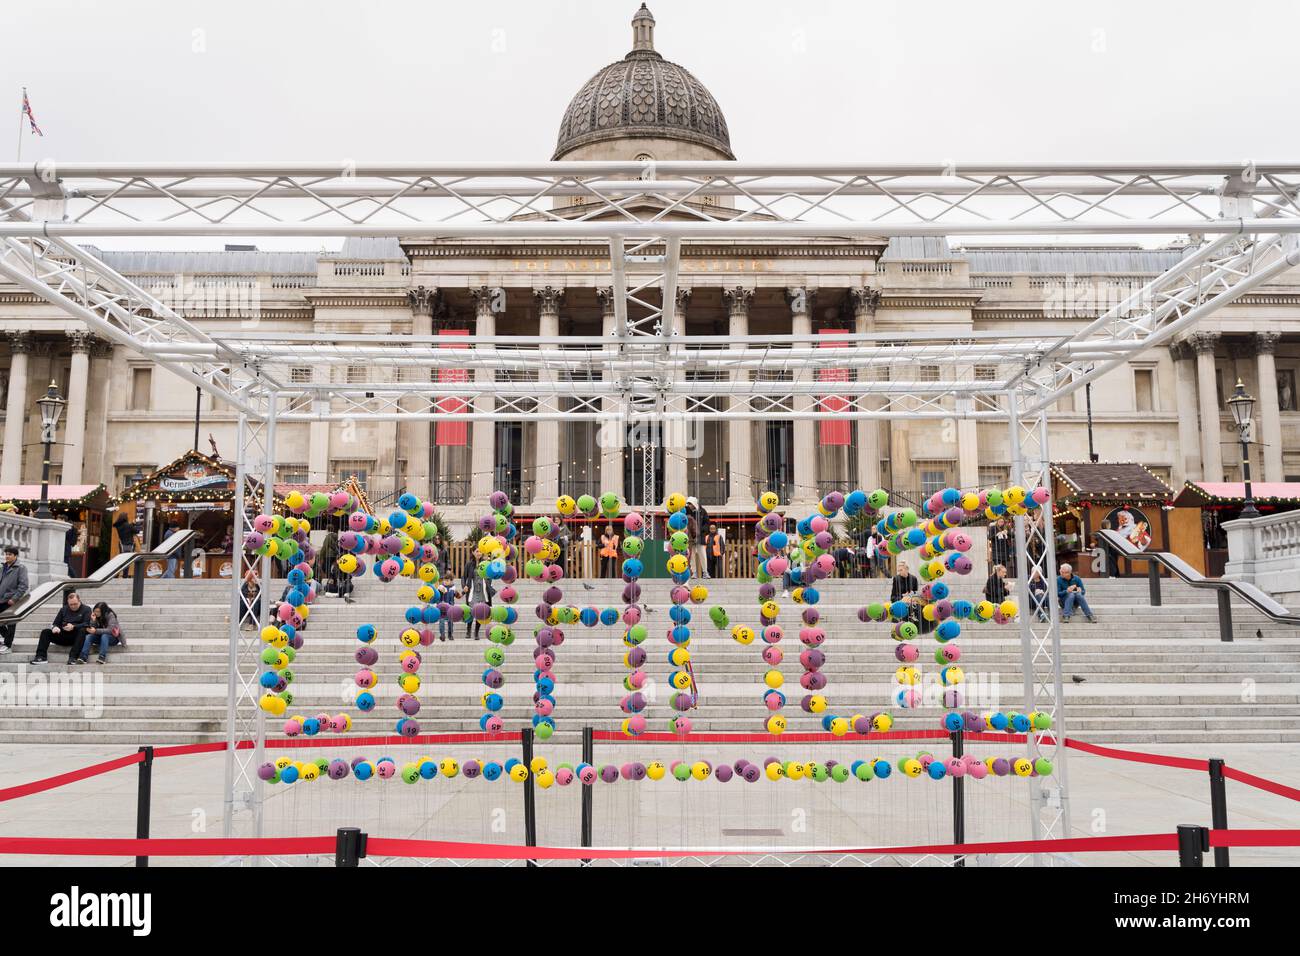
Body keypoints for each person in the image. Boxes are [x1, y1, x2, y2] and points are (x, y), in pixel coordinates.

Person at [30, 590, 91, 664]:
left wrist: (73, 626)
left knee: (82, 630)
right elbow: (55, 623)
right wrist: (55, 627)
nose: (73, 606)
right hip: (63, 635)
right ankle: (41, 657)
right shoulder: (64, 609)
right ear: (68, 603)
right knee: (45, 632)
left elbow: (86, 624)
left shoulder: (86, 609)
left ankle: (73, 657)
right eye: (71, 604)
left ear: (79, 601)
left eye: (75, 604)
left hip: (76, 637)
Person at [0, 545, 30, 655]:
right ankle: (6, 638)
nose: (7, 556)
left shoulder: (21, 568)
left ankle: (8, 645)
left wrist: (14, 598)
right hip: (1, 599)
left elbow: (23, 585)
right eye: (6, 554)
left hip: (10, 600)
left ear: (15, 556)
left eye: (10, 554)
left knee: (11, 623)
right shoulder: (3, 567)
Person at [461, 559, 495, 640]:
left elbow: (490, 576)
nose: (478, 553)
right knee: (470, 611)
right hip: (473, 590)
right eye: (476, 551)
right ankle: (468, 630)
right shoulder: (469, 564)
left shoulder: (485, 563)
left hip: (482, 592)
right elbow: (464, 577)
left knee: (480, 612)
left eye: (479, 551)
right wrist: (464, 586)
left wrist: (489, 584)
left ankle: (476, 632)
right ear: (473, 552)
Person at [113, 511, 140, 578]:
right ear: (126, 518)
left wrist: (132, 524)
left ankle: (116, 574)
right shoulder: (128, 526)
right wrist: (134, 524)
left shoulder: (118, 526)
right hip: (130, 545)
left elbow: (126, 528)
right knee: (127, 561)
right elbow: (137, 531)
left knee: (121, 560)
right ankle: (125, 575)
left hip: (122, 545)